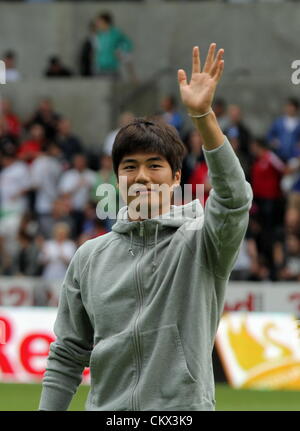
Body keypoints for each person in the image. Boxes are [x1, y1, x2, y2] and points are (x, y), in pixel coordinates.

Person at [39, 44, 252, 411]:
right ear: (117, 177)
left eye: (155, 165)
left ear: (176, 177)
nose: (141, 176)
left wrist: (204, 117)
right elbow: (68, 355)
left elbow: (234, 200)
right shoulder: (89, 258)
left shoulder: (203, 242)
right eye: (129, 166)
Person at [94, 12, 135, 81]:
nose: (97, 24)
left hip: (112, 68)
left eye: (99, 22)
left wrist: (120, 51)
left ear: (105, 22)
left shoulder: (116, 34)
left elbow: (127, 46)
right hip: (100, 68)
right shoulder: (99, 35)